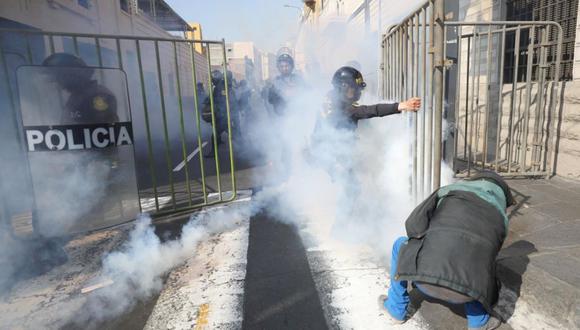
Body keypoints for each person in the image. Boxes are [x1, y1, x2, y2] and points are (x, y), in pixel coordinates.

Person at [379, 170, 517, 330]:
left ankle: (396, 310)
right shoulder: (501, 219)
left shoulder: (448, 192)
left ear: (473, 181)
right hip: (468, 292)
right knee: (482, 258)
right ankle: (479, 322)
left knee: (399, 244)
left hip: (423, 280)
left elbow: (413, 224)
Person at [42, 53, 118, 124]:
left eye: (60, 76)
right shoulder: (79, 96)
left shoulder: (97, 95)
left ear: (72, 74)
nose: (59, 82)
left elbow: (103, 131)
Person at [202, 70, 237, 158]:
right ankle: (247, 148)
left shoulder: (221, 87)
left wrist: (211, 103)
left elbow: (223, 101)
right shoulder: (220, 86)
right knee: (233, 133)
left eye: (213, 78)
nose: (212, 80)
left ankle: (213, 153)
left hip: (223, 116)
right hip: (223, 115)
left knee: (217, 135)